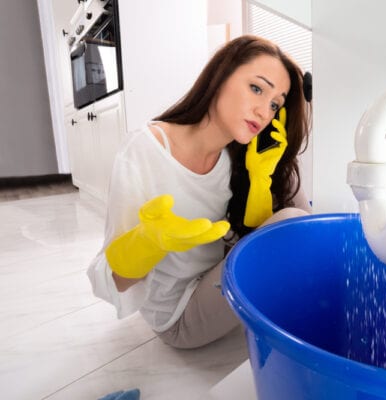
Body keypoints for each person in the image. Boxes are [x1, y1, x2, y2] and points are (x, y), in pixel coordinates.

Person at [87, 35, 312, 349]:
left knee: (286, 174)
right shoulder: (145, 150)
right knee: (294, 223)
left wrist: (261, 181)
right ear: (220, 77)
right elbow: (110, 281)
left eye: (275, 104)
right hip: (181, 315)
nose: (264, 112)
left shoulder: (238, 155)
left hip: (219, 279)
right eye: (257, 88)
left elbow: (250, 237)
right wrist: (148, 243)